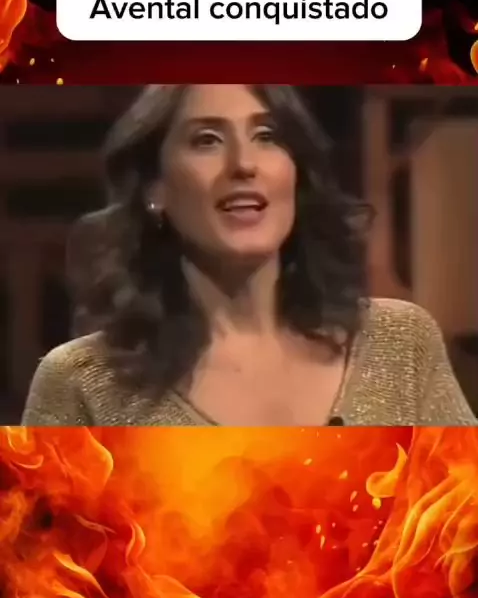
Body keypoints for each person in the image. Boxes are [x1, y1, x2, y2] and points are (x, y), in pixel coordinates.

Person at [22, 84, 476, 427]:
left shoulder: (401, 346)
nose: (243, 164)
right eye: (206, 140)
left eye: (267, 135)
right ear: (154, 189)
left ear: (296, 174)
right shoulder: (83, 384)